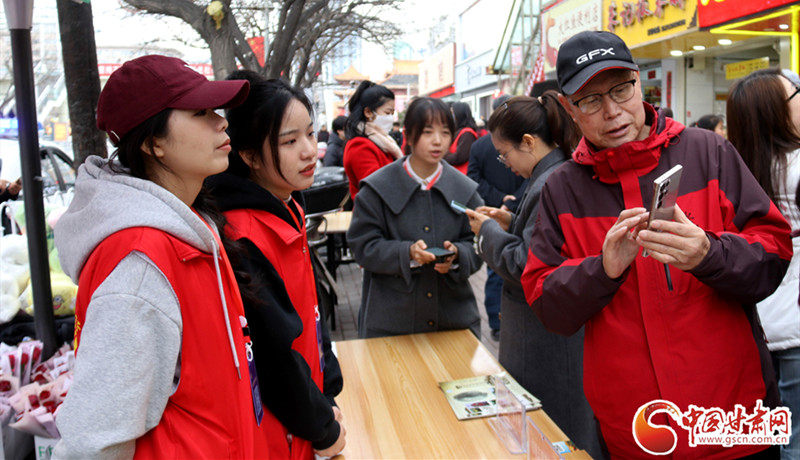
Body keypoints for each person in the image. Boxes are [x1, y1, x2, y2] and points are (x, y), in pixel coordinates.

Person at [521, 31, 792, 459]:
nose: (612, 111)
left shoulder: (709, 152)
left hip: (735, 418)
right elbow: (547, 305)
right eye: (590, 101)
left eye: (620, 90)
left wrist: (709, 253)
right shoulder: (562, 190)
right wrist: (602, 270)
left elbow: (774, 252)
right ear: (571, 110)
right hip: (636, 430)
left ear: (638, 83)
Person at [51, 55, 273, 458]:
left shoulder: (192, 231)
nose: (221, 121)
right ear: (154, 143)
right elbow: (96, 439)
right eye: (201, 112)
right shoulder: (141, 262)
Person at [207, 71, 345, 459]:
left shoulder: (288, 205)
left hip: (307, 415)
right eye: (289, 141)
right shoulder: (242, 233)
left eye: (311, 134)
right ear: (248, 155)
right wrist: (322, 426)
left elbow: (312, 314)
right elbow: (272, 357)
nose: (308, 151)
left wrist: (328, 389)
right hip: (281, 433)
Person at [465, 92, 603, 458]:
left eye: (505, 153)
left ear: (528, 142)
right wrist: (511, 222)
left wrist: (488, 233)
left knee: (550, 430)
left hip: (542, 337)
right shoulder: (554, 172)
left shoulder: (548, 183)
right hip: (548, 331)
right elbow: (545, 239)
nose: (504, 162)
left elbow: (525, 264)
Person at [346, 97, 484, 338]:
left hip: (453, 322)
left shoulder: (465, 189)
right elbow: (362, 246)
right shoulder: (377, 189)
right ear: (409, 136)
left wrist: (458, 255)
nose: (438, 141)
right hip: (391, 323)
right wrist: (406, 253)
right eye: (428, 131)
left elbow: (479, 243)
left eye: (445, 132)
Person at [727, 67, 800, 460]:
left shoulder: (737, 170)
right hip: (796, 326)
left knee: (778, 436)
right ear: (777, 112)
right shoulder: (797, 165)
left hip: (758, 323)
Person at [466, 94, 527, 341]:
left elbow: (474, 179)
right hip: (513, 209)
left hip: (498, 210)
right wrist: (511, 200)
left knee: (497, 268)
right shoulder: (521, 142)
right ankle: (501, 320)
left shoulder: (480, 145)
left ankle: (496, 321)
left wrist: (501, 199)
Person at [342, 80, 402, 199]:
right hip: (373, 215)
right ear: (368, 112)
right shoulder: (359, 146)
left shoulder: (384, 142)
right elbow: (377, 190)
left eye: (392, 113)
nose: (391, 118)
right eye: (387, 112)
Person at [445, 101, 478, 174]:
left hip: (463, 175)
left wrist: (443, 155)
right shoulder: (458, 131)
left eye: (452, 113)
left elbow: (459, 157)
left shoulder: (467, 134)